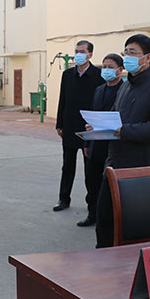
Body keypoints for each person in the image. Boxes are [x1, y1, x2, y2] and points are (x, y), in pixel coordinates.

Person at [95, 34, 150, 248]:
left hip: (140, 167)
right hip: (115, 163)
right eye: (126, 52)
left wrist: (126, 132)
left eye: (133, 53)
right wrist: (99, 125)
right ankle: (103, 259)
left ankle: (127, 263)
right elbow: (117, 114)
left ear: (147, 58)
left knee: (132, 225)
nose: (127, 57)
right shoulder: (126, 85)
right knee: (105, 219)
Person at [53, 40, 104, 213]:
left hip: (88, 129)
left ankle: (92, 204)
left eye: (82, 51)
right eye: (76, 51)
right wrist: (59, 123)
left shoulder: (98, 75)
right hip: (69, 127)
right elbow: (63, 100)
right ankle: (63, 199)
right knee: (67, 165)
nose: (78, 55)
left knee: (90, 169)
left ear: (90, 54)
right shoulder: (68, 75)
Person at [79, 54, 124, 227]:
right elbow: (92, 116)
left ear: (120, 70)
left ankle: (111, 219)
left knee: (110, 184)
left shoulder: (125, 90)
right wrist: (87, 142)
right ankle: (93, 214)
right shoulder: (99, 90)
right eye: (104, 67)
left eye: (110, 67)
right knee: (92, 181)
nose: (106, 70)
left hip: (114, 145)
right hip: (96, 143)